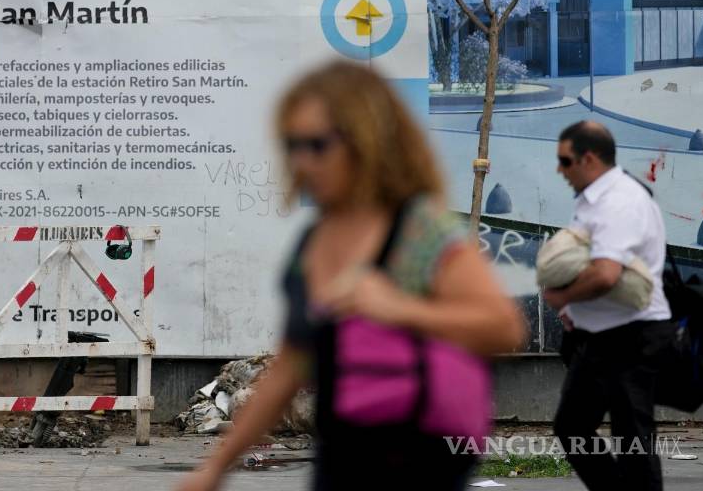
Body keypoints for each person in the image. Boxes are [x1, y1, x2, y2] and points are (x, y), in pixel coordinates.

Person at [180, 61, 524, 491]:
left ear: (367, 141)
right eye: (293, 145)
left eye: (318, 145)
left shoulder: (418, 230)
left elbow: (503, 327)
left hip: (420, 452)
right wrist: (214, 470)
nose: (303, 161)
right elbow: (290, 366)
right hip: (344, 448)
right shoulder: (312, 243)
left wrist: (399, 309)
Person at [546, 121, 673, 491]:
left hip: (633, 334)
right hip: (599, 334)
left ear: (589, 158)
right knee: (572, 426)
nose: (559, 170)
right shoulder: (594, 199)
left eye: (565, 161)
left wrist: (563, 297)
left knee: (632, 439)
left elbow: (605, 274)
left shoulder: (620, 201)